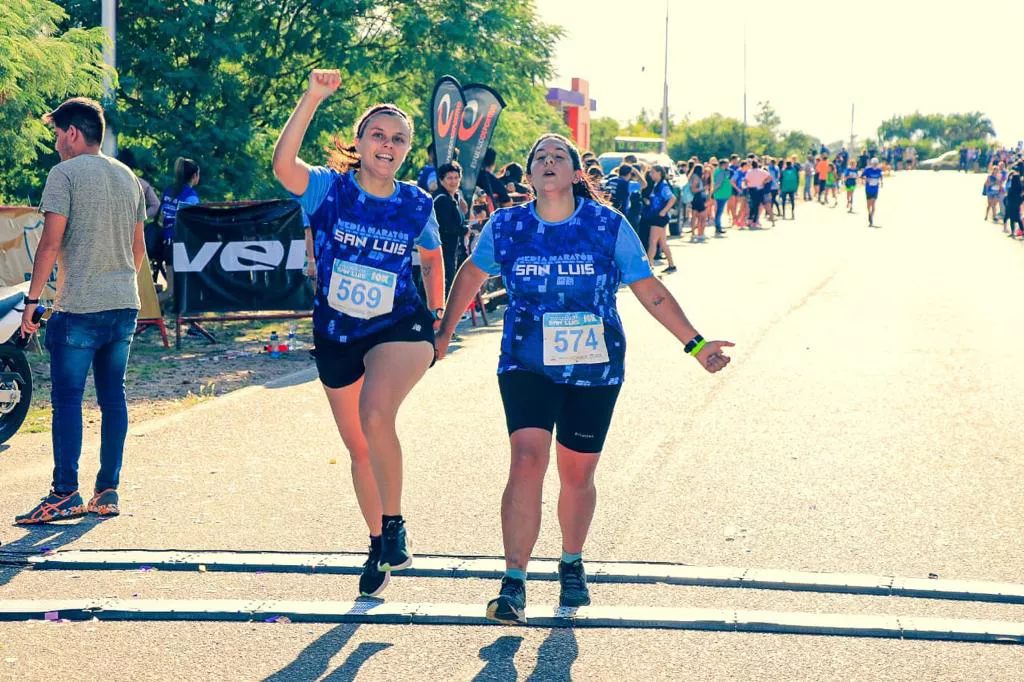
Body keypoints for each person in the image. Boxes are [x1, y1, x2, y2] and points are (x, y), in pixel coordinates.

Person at [434, 133, 734, 625]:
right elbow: (471, 273)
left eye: (559, 156)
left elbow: (649, 288)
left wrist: (696, 345)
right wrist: (445, 330)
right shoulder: (506, 225)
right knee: (526, 459)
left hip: (594, 368)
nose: (548, 161)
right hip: (526, 363)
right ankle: (513, 582)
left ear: (576, 174)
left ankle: (571, 561)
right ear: (530, 174)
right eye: (540, 157)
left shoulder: (606, 224)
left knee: (577, 475)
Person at [272, 69, 445, 597]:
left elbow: (433, 258)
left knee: (375, 414)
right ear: (361, 142)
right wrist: (312, 97)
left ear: (407, 149)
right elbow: (283, 166)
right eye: (378, 135)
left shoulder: (416, 202)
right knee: (359, 447)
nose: (388, 145)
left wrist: (437, 317)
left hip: (399, 325)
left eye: (399, 139)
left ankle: (395, 525)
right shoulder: (329, 190)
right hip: (337, 332)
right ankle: (377, 542)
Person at [16, 97, 147, 524]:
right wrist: (118, 282)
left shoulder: (65, 174)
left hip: (79, 307)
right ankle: (107, 491)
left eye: (57, 134)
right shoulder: (128, 176)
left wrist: (32, 301)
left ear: (73, 132)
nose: (56, 143)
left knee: (68, 400)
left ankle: (64, 493)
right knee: (113, 398)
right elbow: (138, 248)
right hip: (124, 304)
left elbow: (50, 244)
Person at [433, 161, 469, 296]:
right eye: (449, 178)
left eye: (456, 177)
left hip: (453, 250)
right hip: (442, 251)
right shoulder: (441, 199)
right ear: (441, 180)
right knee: (445, 287)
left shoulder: (454, 197)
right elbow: (446, 228)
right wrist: (464, 230)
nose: (453, 181)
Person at [641, 165, 677, 272]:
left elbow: (672, 198)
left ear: (659, 173)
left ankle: (649, 267)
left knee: (652, 241)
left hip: (659, 218)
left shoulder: (663, 186)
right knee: (662, 242)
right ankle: (671, 265)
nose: (650, 174)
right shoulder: (656, 184)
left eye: (652, 172)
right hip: (656, 216)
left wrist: (664, 211)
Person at [861, 158, 884, 227]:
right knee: (869, 204)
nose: (875, 165)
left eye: (876, 164)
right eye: (874, 163)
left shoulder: (879, 170)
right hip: (868, 189)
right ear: (871, 163)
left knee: (873, 203)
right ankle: (869, 213)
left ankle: (871, 217)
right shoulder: (867, 169)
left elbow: (881, 176)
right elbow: (862, 176)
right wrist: (865, 179)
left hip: (875, 189)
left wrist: (881, 182)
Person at [712, 158, 732, 235]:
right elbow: (718, 184)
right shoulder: (721, 172)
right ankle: (718, 227)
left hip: (721, 194)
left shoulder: (719, 171)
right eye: (727, 164)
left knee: (719, 211)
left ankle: (718, 226)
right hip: (720, 194)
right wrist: (712, 192)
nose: (728, 165)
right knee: (719, 211)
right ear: (723, 165)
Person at [689, 164, 708, 242]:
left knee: (694, 217)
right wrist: (703, 188)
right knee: (702, 217)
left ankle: (694, 233)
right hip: (697, 198)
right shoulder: (696, 177)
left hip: (695, 198)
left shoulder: (693, 176)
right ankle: (699, 234)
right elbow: (693, 189)